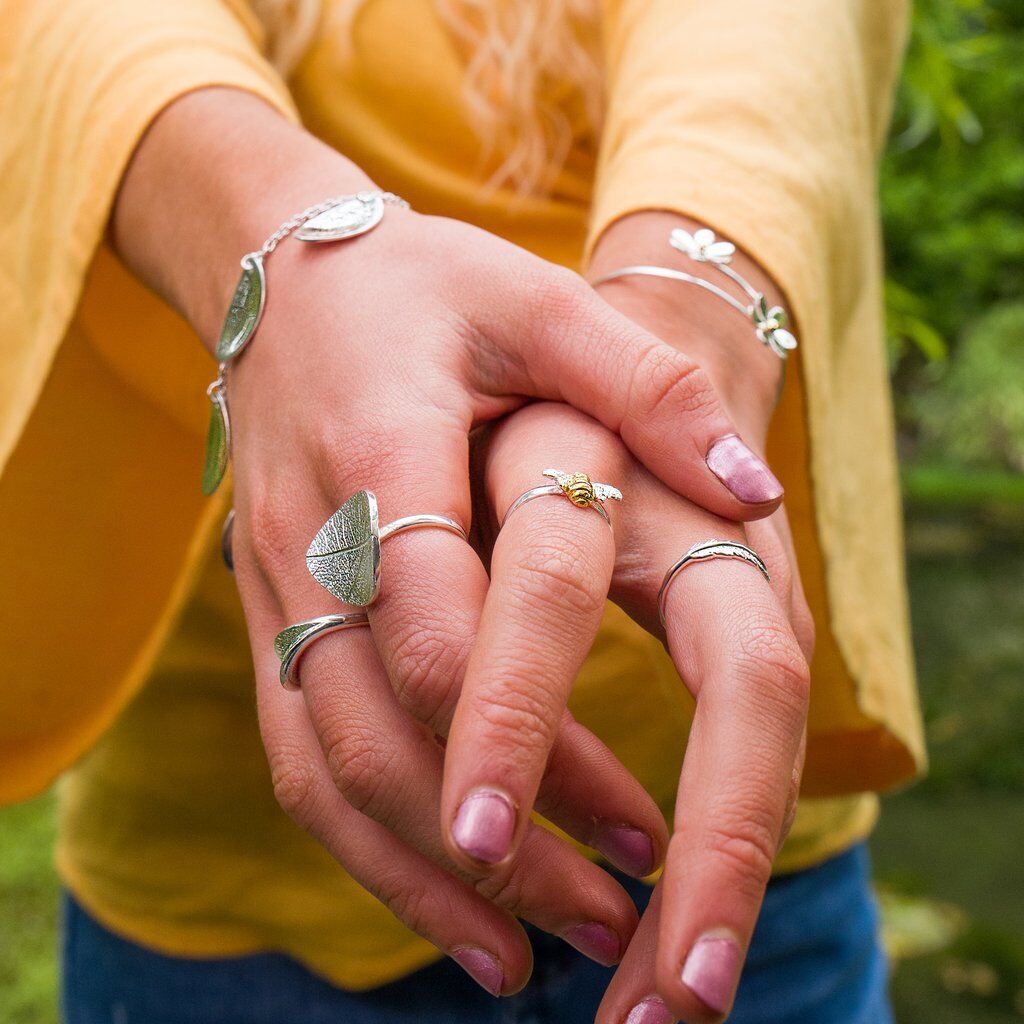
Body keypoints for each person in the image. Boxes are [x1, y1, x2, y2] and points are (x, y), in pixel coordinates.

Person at [0, 1, 925, 1022]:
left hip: (728, 839)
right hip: (235, 868)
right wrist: (278, 240)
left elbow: (759, 49)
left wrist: (679, 317)